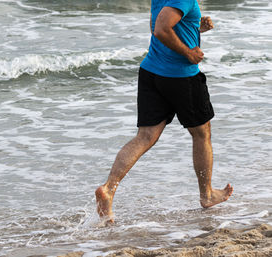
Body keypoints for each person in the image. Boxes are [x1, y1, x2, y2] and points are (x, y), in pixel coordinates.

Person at [95, 0, 233, 223]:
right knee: (201, 133)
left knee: (145, 136)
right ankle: (207, 194)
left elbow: (158, 25)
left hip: (151, 72)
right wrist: (188, 52)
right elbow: (160, 29)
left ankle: (108, 188)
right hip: (181, 76)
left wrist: (194, 28)